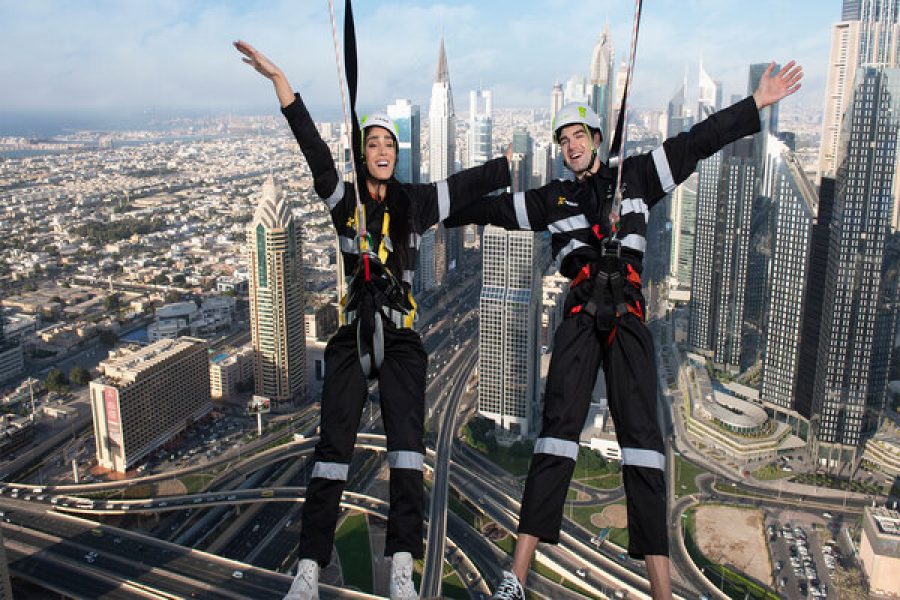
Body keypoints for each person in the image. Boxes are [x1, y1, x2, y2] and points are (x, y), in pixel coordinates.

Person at [445, 60, 803, 600]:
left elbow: (698, 142)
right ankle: (515, 577)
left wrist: (756, 105)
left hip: (630, 316)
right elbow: (488, 211)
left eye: (577, 135)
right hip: (580, 315)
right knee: (557, 432)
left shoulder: (635, 177)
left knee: (644, 444)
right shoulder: (552, 200)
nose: (570, 145)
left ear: (595, 137)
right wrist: (421, 209)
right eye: (562, 139)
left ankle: (661, 592)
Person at [234, 40, 511, 600]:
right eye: (373, 143)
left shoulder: (415, 203)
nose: (382, 149)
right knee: (332, 449)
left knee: (408, 447)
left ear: (397, 152)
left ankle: (403, 566)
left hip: (401, 336)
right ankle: (309, 566)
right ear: (364, 154)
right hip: (355, 331)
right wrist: (281, 81)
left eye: (389, 143)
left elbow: (465, 187)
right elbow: (312, 148)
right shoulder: (345, 201)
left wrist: (506, 165)